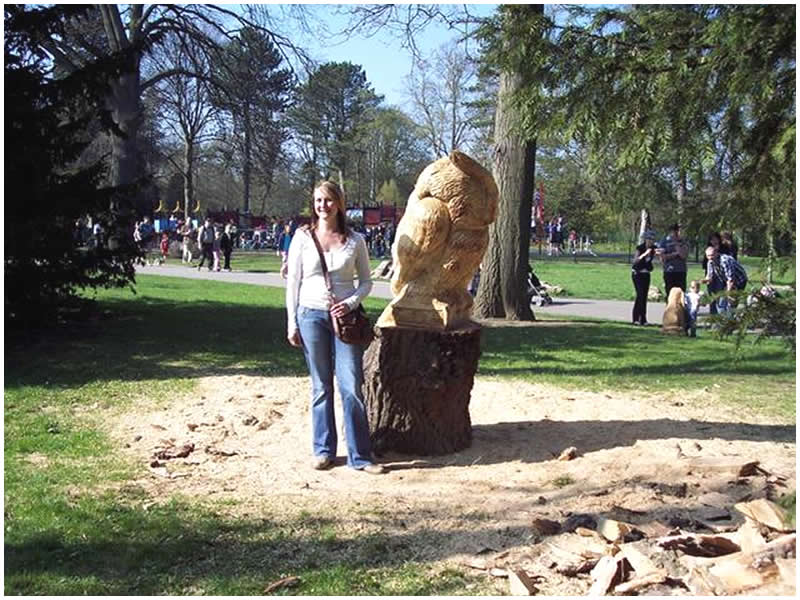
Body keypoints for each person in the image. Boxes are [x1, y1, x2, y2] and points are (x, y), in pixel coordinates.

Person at [285, 180, 385, 474]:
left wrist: (351, 302)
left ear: (339, 203)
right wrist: (292, 322)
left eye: (328, 200)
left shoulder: (356, 241)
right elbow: (293, 282)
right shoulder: (302, 237)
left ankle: (361, 455)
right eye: (318, 200)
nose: (322, 206)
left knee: (351, 384)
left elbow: (367, 282)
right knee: (320, 385)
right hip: (310, 314)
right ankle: (324, 450)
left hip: (345, 320)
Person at [702, 246, 748, 314]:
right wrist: (702, 281)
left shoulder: (724, 260)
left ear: (716, 253)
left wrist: (728, 294)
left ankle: (730, 320)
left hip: (739, 280)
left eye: (712, 255)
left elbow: (731, 279)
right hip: (726, 280)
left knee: (730, 302)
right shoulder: (710, 262)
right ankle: (725, 319)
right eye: (708, 256)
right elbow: (709, 277)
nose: (710, 257)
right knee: (721, 303)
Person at [631, 230, 656, 325]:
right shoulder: (640, 248)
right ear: (646, 239)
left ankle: (643, 319)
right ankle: (636, 319)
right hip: (637, 274)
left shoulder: (653, 248)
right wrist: (644, 254)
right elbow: (635, 261)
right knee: (640, 295)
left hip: (646, 274)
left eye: (652, 240)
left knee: (644, 296)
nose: (651, 241)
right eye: (649, 239)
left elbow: (659, 251)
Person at [657, 223, 688, 297]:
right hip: (669, 271)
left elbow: (683, 255)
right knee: (670, 293)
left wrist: (676, 244)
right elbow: (662, 258)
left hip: (681, 271)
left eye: (676, 231)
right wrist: (674, 254)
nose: (675, 233)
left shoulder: (683, 241)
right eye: (673, 231)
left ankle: (680, 308)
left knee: (681, 294)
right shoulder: (664, 241)